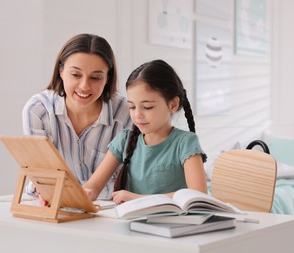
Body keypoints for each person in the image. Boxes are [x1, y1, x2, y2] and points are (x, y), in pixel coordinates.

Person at [22, 33, 131, 199]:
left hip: (105, 205)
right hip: (47, 200)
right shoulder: (38, 110)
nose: (84, 86)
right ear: (61, 71)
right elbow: (41, 174)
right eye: (75, 75)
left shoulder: (126, 112)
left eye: (95, 77)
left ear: (107, 78)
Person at [83, 59, 208, 203]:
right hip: (131, 222)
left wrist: (137, 199)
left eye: (147, 107)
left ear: (173, 104)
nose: (137, 115)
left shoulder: (186, 143)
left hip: (176, 223)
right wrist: (83, 193)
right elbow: (94, 185)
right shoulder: (124, 140)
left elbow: (198, 195)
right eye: (132, 107)